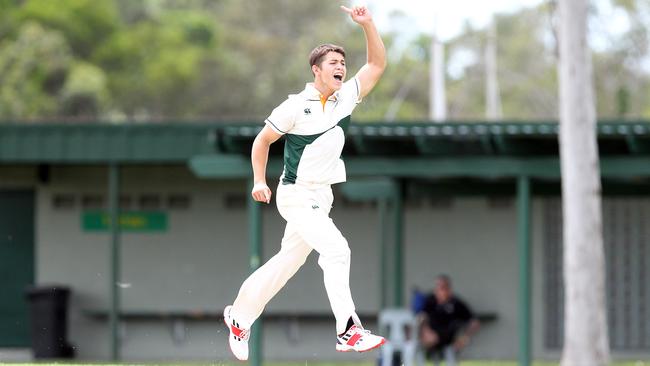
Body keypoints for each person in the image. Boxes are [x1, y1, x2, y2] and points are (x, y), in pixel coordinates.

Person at [222, 5, 387, 361]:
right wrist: (257, 180)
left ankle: (240, 316)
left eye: (343, 63)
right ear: (316, 70)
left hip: (320, 197)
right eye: (333, 63)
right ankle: (348, 330)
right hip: (295, 195)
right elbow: (262, 141)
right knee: (337, 250)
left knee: (286, 263)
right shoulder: (295, 106)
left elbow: (375, 66)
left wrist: (368, 24)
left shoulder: (346, 98)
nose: (341, 68)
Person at [418, 275, 480, 364]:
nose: (440, 290)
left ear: (449, 289)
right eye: (438, 287)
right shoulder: (430, 300)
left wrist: (465, 338)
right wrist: (425, 332)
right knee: (420, 349)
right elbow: (421, 317)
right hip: (431, 339)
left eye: (443, 287)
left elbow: (474, 322)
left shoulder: (456, 303)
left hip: (450, 340)